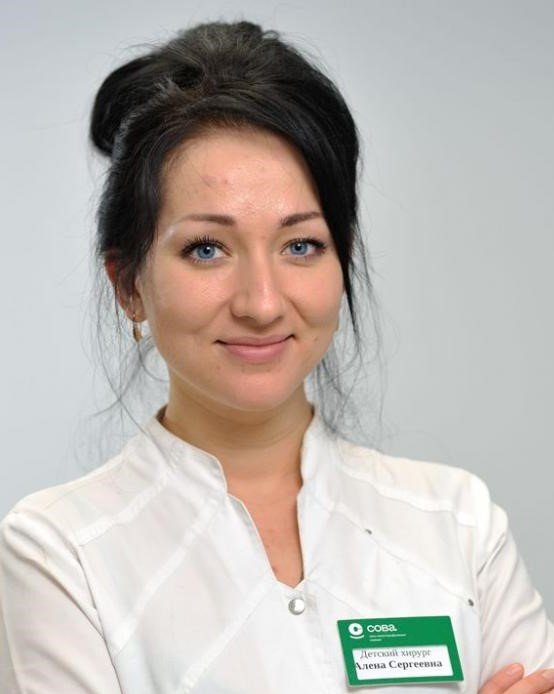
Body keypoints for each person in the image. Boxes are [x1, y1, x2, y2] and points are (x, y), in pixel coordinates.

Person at [0, 20, 553, 694]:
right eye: (207, 248)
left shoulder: (458, 523)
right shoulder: (62, 553)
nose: (262, 303)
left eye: (300, 246)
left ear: (342, 261)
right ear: (129, 285)